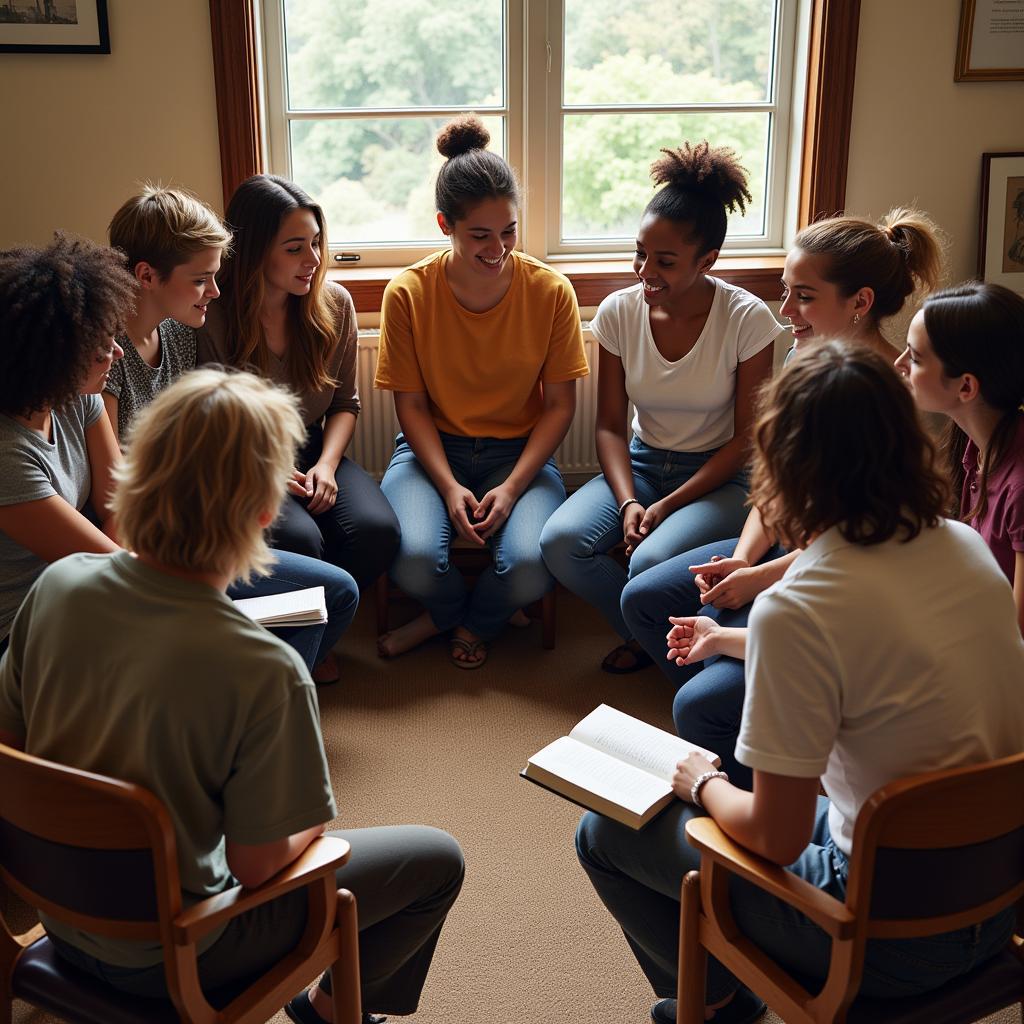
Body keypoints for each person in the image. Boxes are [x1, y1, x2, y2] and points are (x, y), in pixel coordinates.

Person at [576, 342, 1024, 1024]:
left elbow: (777, 840)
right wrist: (730, 642)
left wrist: (702, 781)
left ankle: (722, 1004)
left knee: (605, 832)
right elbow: (866, 642)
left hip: (882, 941)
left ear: (781, 465)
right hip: (998, 899)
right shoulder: (962, 546)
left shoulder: (797, 607)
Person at [0, 369, 465, 1024]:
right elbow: (257, 865)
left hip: (60, 916)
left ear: (135, 475)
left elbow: (10, 749)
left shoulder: (60, 586)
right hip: (181, 950)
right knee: (437, 858)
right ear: (266, 512)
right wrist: (313, 817)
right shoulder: (264, 669)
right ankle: (330, 1011)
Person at [619, 209, 943, 785]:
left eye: (803, 297)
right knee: (642, 597)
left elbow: (857, 546)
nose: (786, 312)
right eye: (786, 293)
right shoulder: (800, 357)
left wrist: (757, 578)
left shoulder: (888, 395)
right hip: (789, 550)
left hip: (831, 568)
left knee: (697, 701)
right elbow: (771, 487)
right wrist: (745, 557)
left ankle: (761, 749)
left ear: (859, 301)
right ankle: (745, 706)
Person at [0, 233, 355, 678]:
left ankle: (234, 711)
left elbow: (120, 505)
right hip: (36, 623)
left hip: (110, 579)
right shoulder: (8, 454)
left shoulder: (79, 395)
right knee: (219, 637)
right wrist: (204, 603)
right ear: (45, 358)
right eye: (96, 347)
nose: (113, 352)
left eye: (110, 337)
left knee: (335, 593)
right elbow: (105, 573)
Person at [540, 141, 783, 673]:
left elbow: (747, 439)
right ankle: (654, 637)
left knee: (648, 560)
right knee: (559, 543)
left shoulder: (747, 320)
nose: (645, 270)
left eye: (665, 261)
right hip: (643, 464)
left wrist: (669, 506)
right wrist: (630, 501)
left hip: (720, 477)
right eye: (640, 253)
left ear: (708, 261)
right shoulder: (618, 313)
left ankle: (671, 643)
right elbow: (607, 426)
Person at [374, 114, 588, 669]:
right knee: (414, 558)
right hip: (431, 453)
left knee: (531, 565)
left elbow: (560, 405)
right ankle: (462, 614)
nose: (498, 249)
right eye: (480, 235)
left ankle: (461, 621)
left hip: (519, 455)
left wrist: (515, 487)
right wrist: (447, 487)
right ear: (445, 223)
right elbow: (411, 406)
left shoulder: (550, 292)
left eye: (509, 232)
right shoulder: (408, 293)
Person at [198, 174, 400, 593]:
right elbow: (207, 423)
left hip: (312, 447)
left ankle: (321, 627)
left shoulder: (334, 305)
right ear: (254, 252)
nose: (312, 258)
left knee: (378, 532)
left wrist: (326, 465)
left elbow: (346, 403)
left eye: (315, 243)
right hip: (243, 459)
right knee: (300, 540)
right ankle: (305, 636)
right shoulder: (211, 316)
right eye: (294, 249)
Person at [896, 280, 1024, 635]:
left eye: (916, 357)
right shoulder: (972, 447)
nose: (900, 362)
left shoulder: (1018, 489)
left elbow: (1015, 637)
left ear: (966, 387)